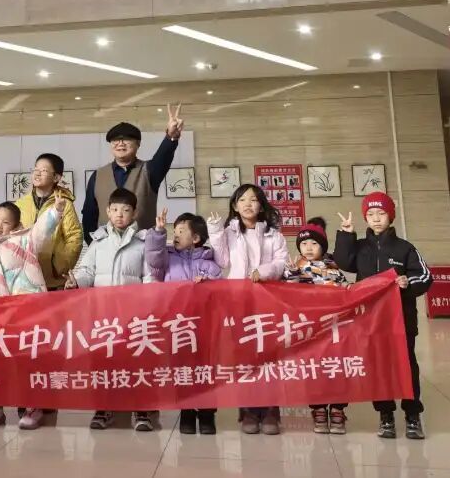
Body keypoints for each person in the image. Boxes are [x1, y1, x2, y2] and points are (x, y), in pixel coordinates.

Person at [334, 192, 432, 441]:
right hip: (370, 321)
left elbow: (424, 277)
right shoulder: (360, 247)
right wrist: (346, 235)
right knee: (378, 367)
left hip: (401, 321)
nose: (376, 219)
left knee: (406, 365)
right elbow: (343, 262)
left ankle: (412, 415)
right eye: (371, 214)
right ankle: (385, 414)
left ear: (391, 216)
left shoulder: (405, 248)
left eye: (381, 213)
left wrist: (407, 282)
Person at [0, 197, 63, 431]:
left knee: (28, 360)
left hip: (27, 313)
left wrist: (55, 211)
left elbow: (41, 231)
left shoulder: (25, 240)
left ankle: (33, 406)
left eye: (5, 222)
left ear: (16, 225)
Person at [70, 187, 157, 432]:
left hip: (133, 315)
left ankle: (141, 410)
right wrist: (76, 281)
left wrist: (149, 304)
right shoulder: (98, 242)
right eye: (115, 209)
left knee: (136, 361)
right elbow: (87, 271)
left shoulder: (143, 243)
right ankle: (103, 408)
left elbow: (149, 276)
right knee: (103, 361)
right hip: (103, 314)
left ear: (134, 213)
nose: (120, 214)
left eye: (126, 210)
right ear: (107, 211)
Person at [206, 184, 288, 435]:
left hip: (267, 299)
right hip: (238, 301)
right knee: (244, 355)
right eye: (242, 200)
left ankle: (271, 409)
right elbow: (222, 261)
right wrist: (215, 232)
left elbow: (282, 263)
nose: (248, 204)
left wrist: (263, 272)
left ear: (261, 206)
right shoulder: (229, 232)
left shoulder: (274, 234)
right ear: (235, 206)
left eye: (253, 200)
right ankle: (249, 410)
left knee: (269, 355)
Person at [144, 209, 221, 435]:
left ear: (196, 238)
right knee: (182, 368)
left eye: (181, 231)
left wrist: (208, 282)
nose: (175, 235)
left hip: (205, 325)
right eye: (174, 231)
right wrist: (159, 232)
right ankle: (186, 411)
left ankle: (207, 413)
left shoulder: (210, 263)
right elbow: (153, 258)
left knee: (206, 369)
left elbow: (220, 289)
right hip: (178, 325)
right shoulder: (167, 259)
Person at [284, 217, 350, 435]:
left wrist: (351, 289)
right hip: (311, 329)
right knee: (315, 367)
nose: (309, 247)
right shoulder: (296, 267)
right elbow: (288, 292)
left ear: (323, 246)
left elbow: (345, 290)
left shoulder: (334, 266)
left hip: (335, 328)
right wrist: (292, 274)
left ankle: (338, 409)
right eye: (304, 244)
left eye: (314, 243)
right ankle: (319, 409)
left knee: (337, 366)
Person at [82, 105, 185, 239]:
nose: (120, 143)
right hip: (105, 247)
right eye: (115, 140)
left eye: (126, 139)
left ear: (138, 144)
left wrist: (171, 137)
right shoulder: (98, 175)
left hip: (143, 247)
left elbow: (163, 157)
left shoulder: (149, 171)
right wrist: (93, 244)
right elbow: (89, 214)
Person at [16, 153, 82, 290]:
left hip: (52, 280)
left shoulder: (64, 204)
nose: (37, 173)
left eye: (44, 170)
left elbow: (74, 237)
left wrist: (60, 266)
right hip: (24, 278)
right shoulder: (20, 204)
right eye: (35, 169)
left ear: (56, 177)